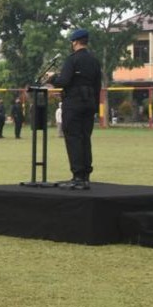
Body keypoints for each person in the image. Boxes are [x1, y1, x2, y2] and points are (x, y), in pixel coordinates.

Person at [49, 28, 102, 190]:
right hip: (90, 102)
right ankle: (85, 174)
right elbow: (97, 85)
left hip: (73, 103)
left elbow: (64, 81)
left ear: (75, 42)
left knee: (73, 138)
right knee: (85, 138)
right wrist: (95, 105)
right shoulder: (94, 60)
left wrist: (53, 78)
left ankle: (77, 175)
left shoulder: (72, 60)